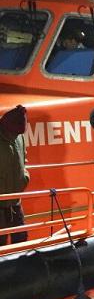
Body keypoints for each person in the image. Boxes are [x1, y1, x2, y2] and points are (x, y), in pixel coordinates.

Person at [0, 105, 29, 245]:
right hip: (0, 203)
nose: (18, 135)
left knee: (22, 237)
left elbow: (24, 158)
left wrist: (24, 177)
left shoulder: (19, 136)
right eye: (15, 133)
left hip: (15, 201)